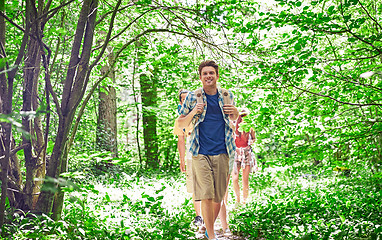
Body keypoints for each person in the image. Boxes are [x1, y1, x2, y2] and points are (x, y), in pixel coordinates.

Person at [178, 60, 238, 240]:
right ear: (200, 77)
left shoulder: (227, 95)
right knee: (206, 195)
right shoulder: (192, 97)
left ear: (217, 76)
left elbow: (233, 119)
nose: (208, 76)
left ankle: (208, 228)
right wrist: (193, 112)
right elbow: (180, 124)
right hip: (200, 151)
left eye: (211, 73)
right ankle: (211, 236)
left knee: (218, 197)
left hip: (223, 151)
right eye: (205, 73)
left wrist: (234, 111)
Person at [173, 89, 203, 227]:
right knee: (195, 186)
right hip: (191, 155)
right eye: (183, 99)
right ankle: (199, 216)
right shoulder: (180, 120)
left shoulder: (202, 114)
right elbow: (181, 141)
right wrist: (182, 159)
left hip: (206, 153)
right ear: (180, 102)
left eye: (188, 99)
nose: (186, 102)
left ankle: (213, 214)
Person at [231, 109, 257, 205]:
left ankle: (245, 201)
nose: (243, 119)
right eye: (242, 116)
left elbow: (254, 139)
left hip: (246, 152)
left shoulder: (250, 127)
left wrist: (251, 140)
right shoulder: (234, 126)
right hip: (236, 152)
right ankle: (237, 200)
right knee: (235, 177)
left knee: (245, 179)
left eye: (245, 116)